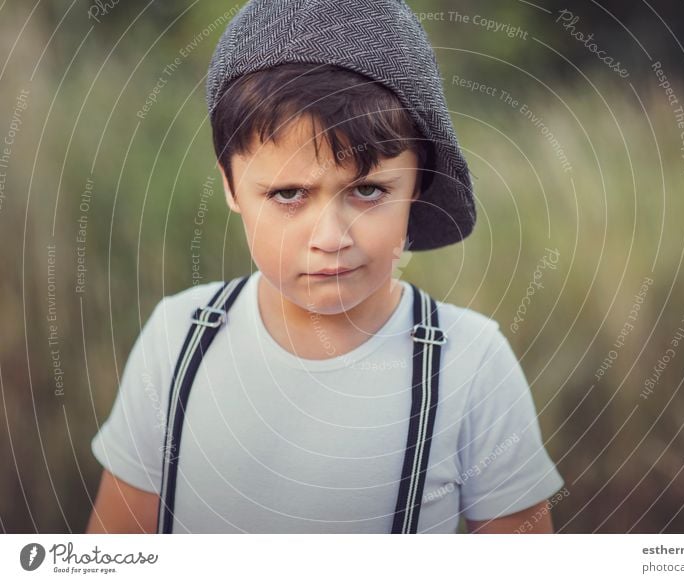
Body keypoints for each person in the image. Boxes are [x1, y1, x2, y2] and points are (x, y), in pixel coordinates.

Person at [86, 0, 564, 534]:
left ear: (417, 187)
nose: (330, 239)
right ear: (229, 185)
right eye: (288, 193)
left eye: (368, 190)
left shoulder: (469, 364)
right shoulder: (176, 342)